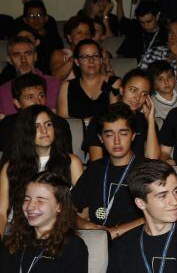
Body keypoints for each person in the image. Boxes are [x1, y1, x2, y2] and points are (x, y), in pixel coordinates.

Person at [0, 172, 88, 273]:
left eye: (40, 201)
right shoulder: (12, 241)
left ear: (60, 206)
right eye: (27, 199)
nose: (30, 206)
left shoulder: (73, 246)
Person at [0, 105, 84, 234]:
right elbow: (2, 212)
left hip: (56, 231)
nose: (44, 130)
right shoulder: (11, 166)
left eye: (48, 124)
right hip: (17, 232)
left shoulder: (71, 162)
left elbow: (82, 210)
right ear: (26, 131)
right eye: (36, 126)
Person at [72, 103, 146, 239]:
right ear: (100, 138)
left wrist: (114, 232)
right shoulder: (95, 169)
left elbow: (158, 214)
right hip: (98, 241)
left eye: (123, 133)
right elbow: (66, 211)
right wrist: (86, 225)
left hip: (137, 240)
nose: (117, 141)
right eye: (109, 135)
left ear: (133, 135)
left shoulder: (149, 169)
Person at [82, 70, 159, 161]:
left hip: (139, 173)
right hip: (107, 173)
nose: (137, 98)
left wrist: (150, 121)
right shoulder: (102, 119)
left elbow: (153, 160)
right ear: (122, 90)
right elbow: (96, 163)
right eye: (133, 90)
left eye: (144, 94)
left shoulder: (146, 122)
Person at [0, 74, 72, 157]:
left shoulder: (59, 123)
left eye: (41, 96)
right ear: (17, 103)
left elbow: (67, 158)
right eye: (30, 97)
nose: (38, 102)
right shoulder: (7, 125)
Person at [56, 39, 121, 122]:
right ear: (77, 61)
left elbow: (116, 118)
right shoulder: (67, 86)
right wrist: (86, 122)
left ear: (101, 60)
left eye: (95, 56)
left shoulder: (114, 83)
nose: (91, 60)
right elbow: (63, 122)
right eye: (85, 57)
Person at [0, 36, 60, 115]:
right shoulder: (3, 90)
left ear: (35, 57)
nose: (23, 60)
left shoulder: (55, 84)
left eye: (28, 54)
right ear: (10, 60)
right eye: (17, 55)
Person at [16, 0, 63, 65]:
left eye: (39, 15)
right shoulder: (22, 37)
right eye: (31, 15)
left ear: (46, 18)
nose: (36, 19)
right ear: (25, 20)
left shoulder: (54, 37)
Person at [48, 15, 95, 81]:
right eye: (79, 32)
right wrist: (75, 57)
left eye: (87, 33)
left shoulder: (95, 55)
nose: (84, 36)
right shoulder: (60, 53)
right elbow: (56, 77)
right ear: (69, 37)